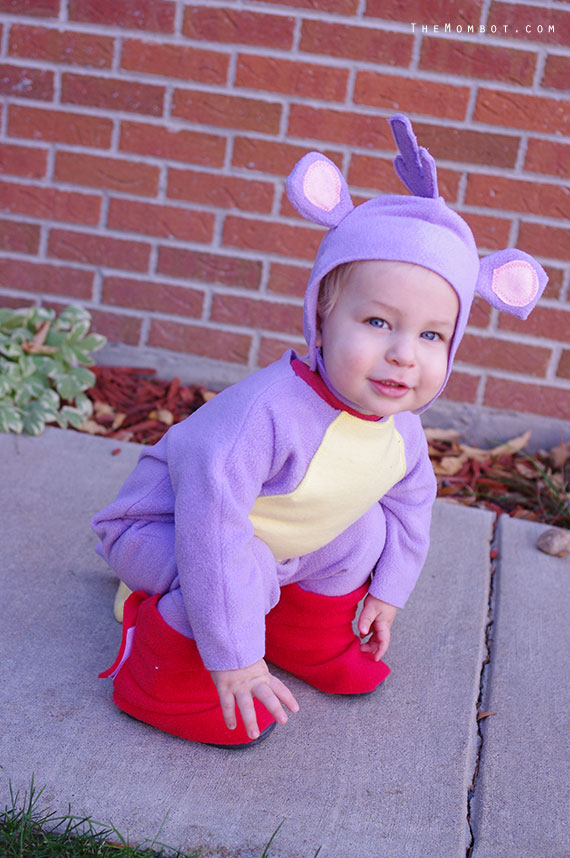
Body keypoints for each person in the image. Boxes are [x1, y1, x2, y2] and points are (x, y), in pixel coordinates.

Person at [92, 114, 547, 749]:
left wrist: (387, 592)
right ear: (322, 318)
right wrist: (236, 656)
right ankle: (160, 662)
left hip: (271, 549)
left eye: (431, 335)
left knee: (365, 529)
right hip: (167, 533)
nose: (403, 355)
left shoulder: (400, 432)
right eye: (378, 322)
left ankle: (301, 633)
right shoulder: (264, 416)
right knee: (242, 561)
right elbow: (213, 530)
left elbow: (412, 508)